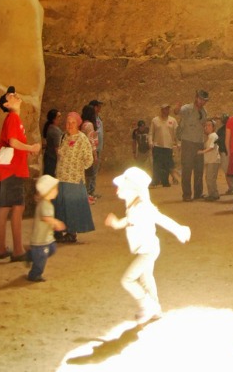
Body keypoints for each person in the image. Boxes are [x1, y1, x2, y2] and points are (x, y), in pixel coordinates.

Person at [105, 166, 191, 323]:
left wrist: (179, 230)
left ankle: (147, 306)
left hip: (148, 251)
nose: (118, 189)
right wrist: (117, 224)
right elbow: (130, 219)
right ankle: (155, 309)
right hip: (144, 249)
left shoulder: (143, 207)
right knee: (146, 279)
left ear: (133, 190)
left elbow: (161, 218)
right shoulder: (133, 206)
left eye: (122, 186)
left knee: (128, 280)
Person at [0, 86, 41, 260]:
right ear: (6, 104)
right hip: (12, 170)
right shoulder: (13, 118)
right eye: (10, 96)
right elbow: (13, 142)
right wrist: (31, 148)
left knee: (5, 208)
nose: (15, 95)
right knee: (18, 207)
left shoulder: (12, 118)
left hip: (8, 170)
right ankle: (18, 250)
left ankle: (2, 249)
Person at [53, 111, 95, 243]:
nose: (70, 125)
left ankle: (71, 233)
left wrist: (77, 165)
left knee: (71, 206)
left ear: (78, 124)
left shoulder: (82, 139)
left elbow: (89, 160)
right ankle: (59, 230)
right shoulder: (64, 137)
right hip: (61, 177)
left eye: (73, 123)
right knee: (60, 204)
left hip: (74, 178)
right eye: (68, 122)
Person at [26, 175, 66, 282]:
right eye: (55, 188)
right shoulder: (44, 204)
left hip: (47, 237)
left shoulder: (47, 203)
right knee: (41, 258)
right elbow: (46, 217)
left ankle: (31, 255)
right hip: (40, 240)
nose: (57, 190)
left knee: (52, 249)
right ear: (48, 191)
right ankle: (34, 274)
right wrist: (56, 223)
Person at [178, 90, 209, 201]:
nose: (202, 102)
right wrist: (177, 107)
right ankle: (186, 195)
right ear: (196, 98)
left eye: (205, 101)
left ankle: (198, 193)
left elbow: (203, 125)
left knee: (199, 170)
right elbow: (177, 111)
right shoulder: (187, 108)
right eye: (201, 99)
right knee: (187, 169)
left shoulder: (204, 111)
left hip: (199, 143)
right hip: (187, 142)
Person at [149, 104, 178, 188]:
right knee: (157, 165)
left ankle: (165, 181)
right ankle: (155, 181)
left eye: (168, 109)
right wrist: (150, 142)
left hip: (168, 146)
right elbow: (151, 133)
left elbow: (177, 133)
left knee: (166, 165)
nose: (166, 111)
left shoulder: (173, 120)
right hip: (157, 146)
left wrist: (178, 143)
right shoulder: (155, 120)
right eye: (165, 109)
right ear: (161, 110)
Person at [197, 119, 220, 201]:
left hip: (213, 160)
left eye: (209, 125)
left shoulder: (213, 136)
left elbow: (211, 147)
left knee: (210, 178)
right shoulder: (211, 136)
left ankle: (213, 195)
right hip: (211, 160)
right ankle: (213, 194)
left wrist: (202, 152)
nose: (206, 127)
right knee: (210, 178)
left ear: (213, 127)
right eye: (206, 125)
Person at [80, 104, 99, 203]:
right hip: (88, 153)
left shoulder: (82, 124)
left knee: (86, 174)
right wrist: (94, 155)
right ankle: (87, 195)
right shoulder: (90, 125)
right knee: (89, 175)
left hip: (83, 152)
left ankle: (86, 194)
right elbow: (91, 140)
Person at [88, 98, 104, 198]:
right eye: (98, 106)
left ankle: (92, 190)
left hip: (98, 147)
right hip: (94, 148)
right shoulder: (91, 119)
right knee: (92, 171)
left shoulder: (98, 118)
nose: (100, 108)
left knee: (95, 171)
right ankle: (90, 191)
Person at [216, 113, 233, 195]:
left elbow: (219, 142)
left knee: (227, 171)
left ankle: (231, 188)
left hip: (225, 153)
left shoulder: (220, 131)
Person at [42, 109, 62, 177]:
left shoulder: (50, 127)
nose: (60, 118)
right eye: (58, 116)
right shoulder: (55, 131)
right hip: (52, 159)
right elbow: (57, 147)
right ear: (54, 119)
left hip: (49, 157)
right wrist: (60, 161)